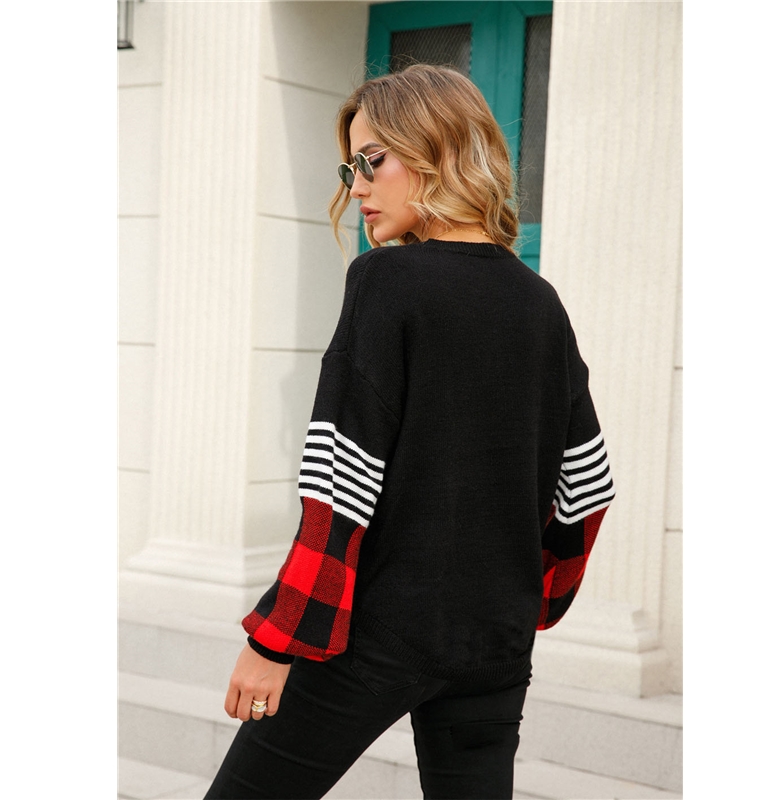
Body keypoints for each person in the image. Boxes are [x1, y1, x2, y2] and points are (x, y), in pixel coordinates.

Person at [205, 64, 615, 800]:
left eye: (372, 161)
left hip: (375, 638)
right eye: (350, 168)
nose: (357, 186)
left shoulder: (385, 282)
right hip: (494, 648)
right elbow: (588, 486)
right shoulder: (539, 302)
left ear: (437, 150)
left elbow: (340, 485)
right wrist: (533, 597)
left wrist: (276, 639)